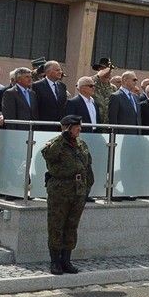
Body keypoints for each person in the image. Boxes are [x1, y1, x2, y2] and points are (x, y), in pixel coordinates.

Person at [41, 114, 95, 275]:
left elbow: (88, 166)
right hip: (60, 190)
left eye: (80, 125)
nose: (80, 129)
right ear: (67, 127)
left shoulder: (81, 144)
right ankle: (55, 262)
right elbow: (49, 155)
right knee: (56, 225)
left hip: (78, 190)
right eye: (76, 126)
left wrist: (87, 188)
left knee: (71, 226)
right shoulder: (54, 144)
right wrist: (61, 138)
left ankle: (66, 260)